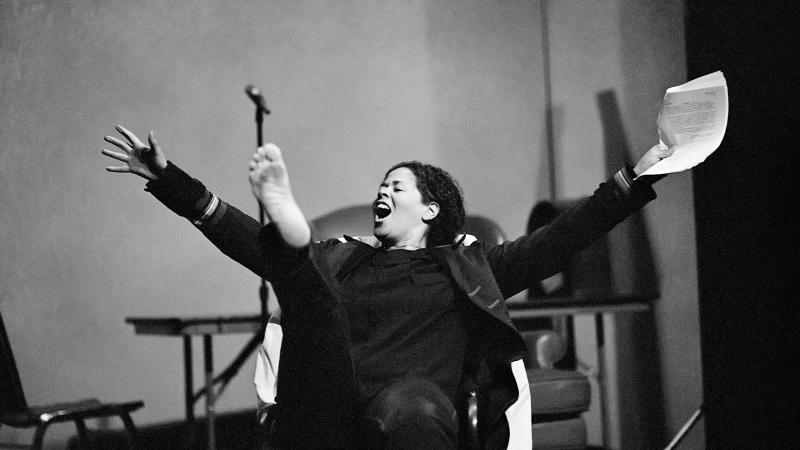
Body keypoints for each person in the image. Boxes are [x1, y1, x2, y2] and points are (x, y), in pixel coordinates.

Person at [102, 125, 673, 449]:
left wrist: (637, 179)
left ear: (430, 208)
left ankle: (291, 242)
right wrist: (169, 181)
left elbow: (563, 237)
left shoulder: (469, 266)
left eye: (395, 186)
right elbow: (246, 241)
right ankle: (290, 237)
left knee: (417, 406)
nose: (383, 190)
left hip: (409, 403)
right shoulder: (344, 257)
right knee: (308, 289)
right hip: (325, 397)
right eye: (381, 185)